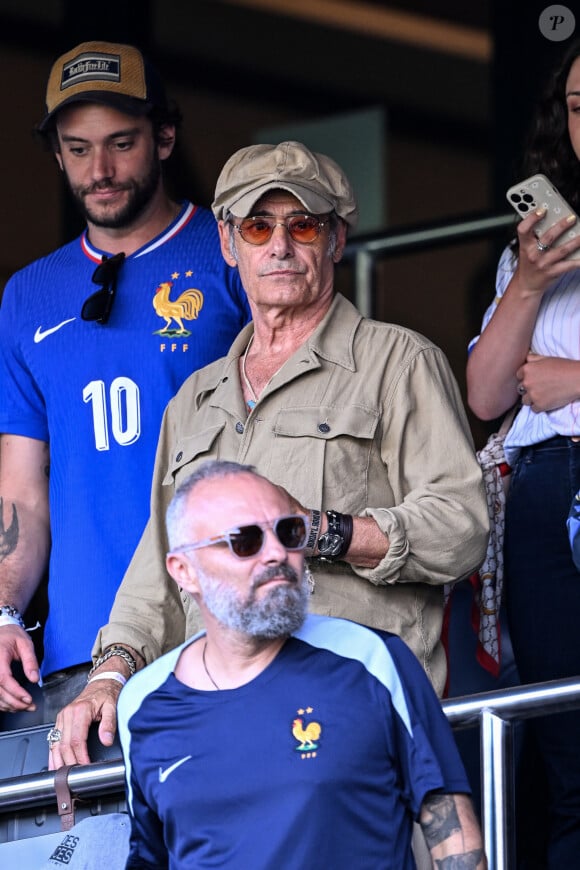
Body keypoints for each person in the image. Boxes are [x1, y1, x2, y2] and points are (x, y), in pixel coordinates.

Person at [50, 139, 488, 768]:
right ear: (229, 245)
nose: (280, 246)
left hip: (355, 718)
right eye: (258, 226)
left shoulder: (399, 363)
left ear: (334, 240)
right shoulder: (195, 401)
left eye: (302, 225)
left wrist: (319, 531)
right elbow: (160, 566)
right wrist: (110, 674)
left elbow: (462, 529)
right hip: (217, 730)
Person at [0, 40, 250, 726]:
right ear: (55, 152)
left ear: (164, 136)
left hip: (218, 632)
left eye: (121, 143)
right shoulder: (28, 295)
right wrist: (3, 611)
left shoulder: (232, 253)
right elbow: (22, 490)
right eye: (77, 149)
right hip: (79, 656)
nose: (100, 170)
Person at [117, 459, 487, 869]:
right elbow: (150, 856)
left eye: (290, 532)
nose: (278, 553)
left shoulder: (371, 659)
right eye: (245, 540)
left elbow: (456, 840)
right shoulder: (142, 704)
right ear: (184, 571)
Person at [466, 39, 580, 868]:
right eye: (576, 107)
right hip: (542, 494)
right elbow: (484, 395)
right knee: (567, 758)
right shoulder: (540, 245)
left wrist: (577, 377)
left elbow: (552, 381)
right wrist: (531, 282)